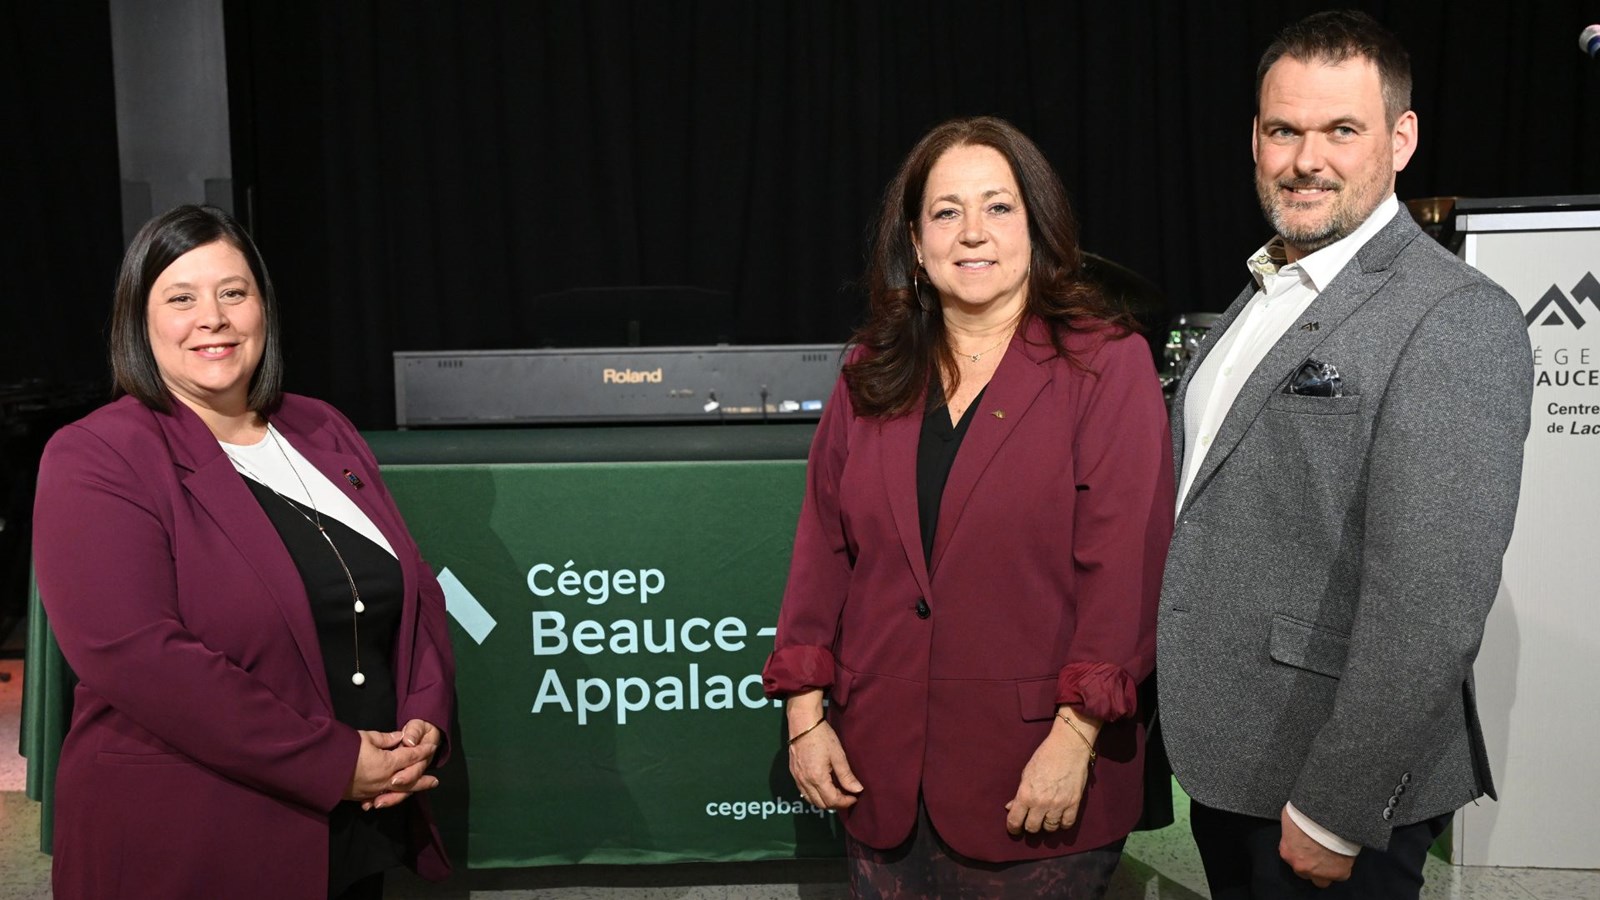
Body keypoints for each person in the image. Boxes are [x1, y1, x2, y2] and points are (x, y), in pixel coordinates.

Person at [1157, 10, 1533, 899]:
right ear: (1255, 138)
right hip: (1235, 761)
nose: (1306, 160)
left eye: (1341, 131)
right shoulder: (1266, 289)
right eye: (1284, 130)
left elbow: (1430, 600)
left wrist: (1338, 807)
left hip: (1325, 786)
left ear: (1400, 140)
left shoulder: (1455, 316)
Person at [762, 116, 1173, 898]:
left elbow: (1126, 571)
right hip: (878, 772)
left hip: (1037, 776)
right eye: (946, 212)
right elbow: (822, 553)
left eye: (998, 207)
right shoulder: (871, 370)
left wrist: (1075, 738)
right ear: (916, 243)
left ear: (1037, 227)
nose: (972, 232)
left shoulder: (1104, 364)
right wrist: (805, 718)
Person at [33, 205, 457, 900]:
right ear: (139, 321)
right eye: (181, 298)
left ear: (264, 307)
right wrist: (333, 762)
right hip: (196, 838)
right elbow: (139, 658)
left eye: (233, 292)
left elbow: (414, 591)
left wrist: (422, 721)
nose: (213, 318)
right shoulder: (99, 454)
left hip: (358, 830)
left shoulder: (322, 427)